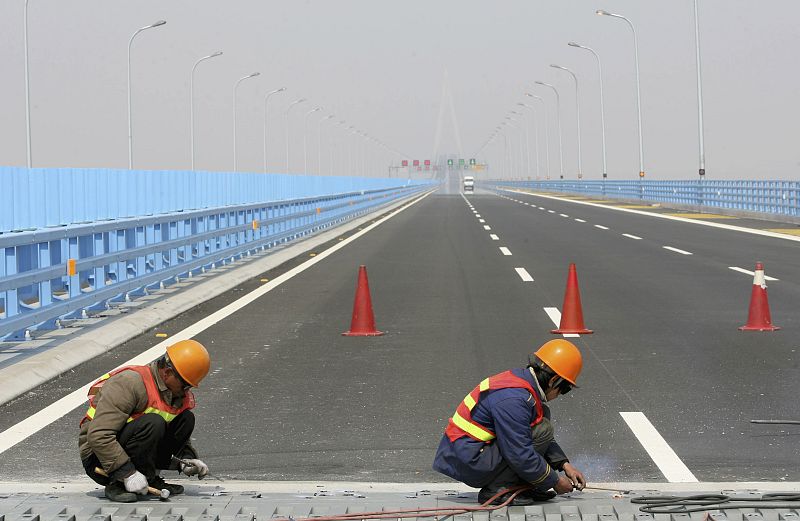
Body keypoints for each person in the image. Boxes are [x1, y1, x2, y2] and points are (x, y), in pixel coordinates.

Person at [432, 339, 587, 506]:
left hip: (471, 453)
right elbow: (520, 453)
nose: (560, 395)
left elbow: (528, 437)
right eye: (564, 389)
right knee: (543, 429)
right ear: (553, 381)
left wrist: (565, 465)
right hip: (470, 462)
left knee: (542, 419)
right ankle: (498, 490)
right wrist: (554, 481)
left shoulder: (521, 383)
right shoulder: (514, 399)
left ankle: (522, 484)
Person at [78, 339, 212, 503]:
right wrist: (127, 473)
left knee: (186, 419)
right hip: (99, 459)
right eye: (185, 385)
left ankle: (149, 478)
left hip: (129, 449)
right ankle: (117, 484)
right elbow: (99, 435)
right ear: (167, 372)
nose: (187, 390)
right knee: (152, 422)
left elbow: (172, 426)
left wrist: (185, 459)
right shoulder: (130, 383)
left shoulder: (174, 393)